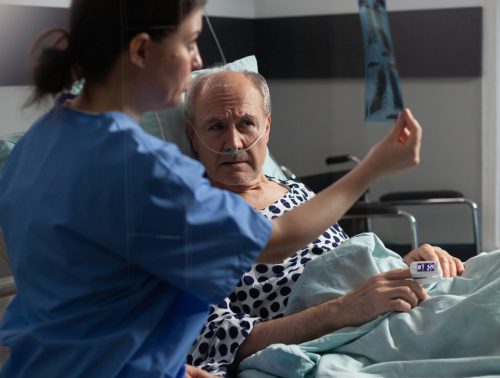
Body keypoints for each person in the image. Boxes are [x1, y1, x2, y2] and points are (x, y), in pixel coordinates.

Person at [0, 1, 424, 377]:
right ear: (142, 51)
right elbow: (276, 241)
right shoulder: (144, 170)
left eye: (246, 125)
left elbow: (86, 291)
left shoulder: (38, 145)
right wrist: (373, 167)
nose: (198, 58)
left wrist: (170, 367)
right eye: (190, 42)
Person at [184, 70, 464, 377]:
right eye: (216, 127)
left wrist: (411, 267)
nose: (233, 142)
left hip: (394, 307)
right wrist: (343, 310)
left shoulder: (301, 194)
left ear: (266, 127)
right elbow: (214, 338)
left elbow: (353, 266)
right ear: (193, 137)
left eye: (246, 124)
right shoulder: (194, 221)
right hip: (346, 340)